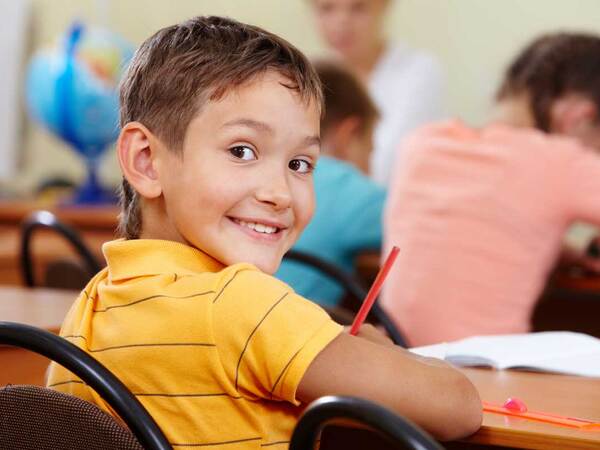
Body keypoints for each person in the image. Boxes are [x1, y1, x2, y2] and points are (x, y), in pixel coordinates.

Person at [46, 16, 481, 447]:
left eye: (300, 164)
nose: (281, 194)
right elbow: (459, 407)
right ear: (146, 161)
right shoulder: (244, 306)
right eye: (242, 151)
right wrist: (384, 352)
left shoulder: (88, 308)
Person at [383, 32, 600, 347]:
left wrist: (558, 250)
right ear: (577, 117)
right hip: (481, 378)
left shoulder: (422, 143)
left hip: (392, 358)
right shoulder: (559, 161)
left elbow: (477, 228)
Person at [276, 61, 385, 306]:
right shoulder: (346, 186)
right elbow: (418, 224)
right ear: (349, 133)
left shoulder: (270, 175)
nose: (370, 161)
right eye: (370, 149)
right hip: (295, 336)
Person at [311, 0, 446, 186]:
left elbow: (388, 165)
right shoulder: (311, 75)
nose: (342, 21)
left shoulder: (418, 72)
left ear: (384, 6)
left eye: (358, 8)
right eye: (327, 8)